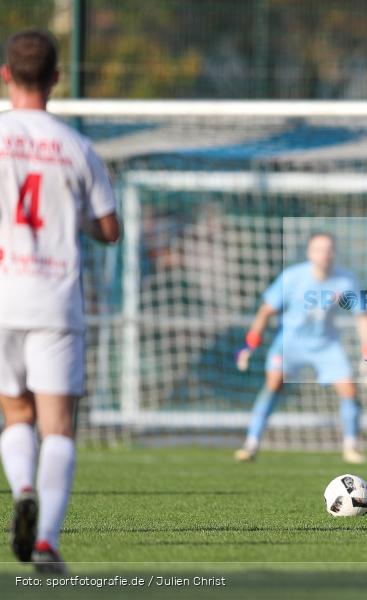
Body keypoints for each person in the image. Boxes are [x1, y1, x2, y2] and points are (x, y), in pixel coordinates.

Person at [0, 30, 120, 573]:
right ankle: (45, 540)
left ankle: (22, 486)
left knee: (16, 415)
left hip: (3, 295)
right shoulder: (76, 146)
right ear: (55, 79)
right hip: (55, 300)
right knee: (59, 427)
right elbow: (110, 229)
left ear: (6, 75)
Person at [234, 232, 367, 464]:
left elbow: (362, 317)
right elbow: (266, 310)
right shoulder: (292, 277)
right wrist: (249, 345)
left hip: (326, 343)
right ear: (310, 253)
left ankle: (351, 446)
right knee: (273, 385)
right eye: (319, 249)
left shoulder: (345, 281)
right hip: (290, 342)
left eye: (329, 249)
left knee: (349, 389)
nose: (324, 255)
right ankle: (251, 443)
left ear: (335, 253)